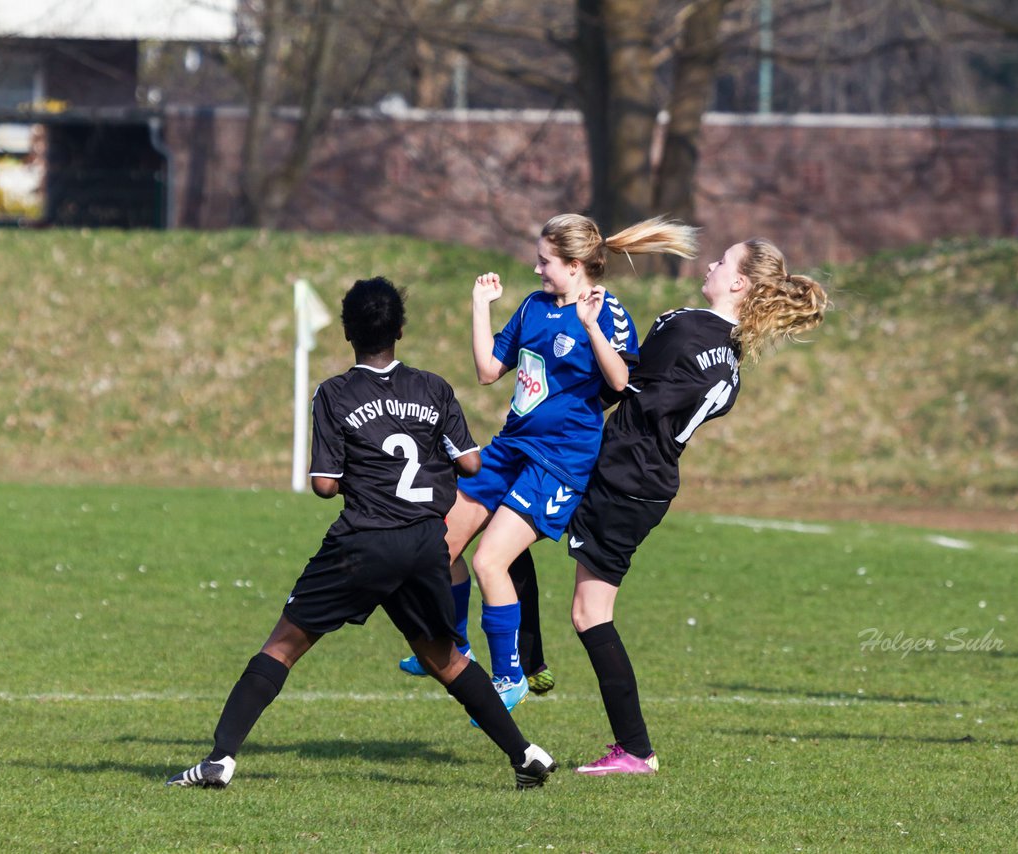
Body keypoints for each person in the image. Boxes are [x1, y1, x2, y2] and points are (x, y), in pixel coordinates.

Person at [166, 277, 556, 790]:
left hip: (363, 542)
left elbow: (325, 485)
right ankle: (526, 754)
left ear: (348, 331)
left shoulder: (334, 393)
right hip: (423, 544)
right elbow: (471, 462)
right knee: (444, 659)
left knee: (283, 645)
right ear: (400, 329)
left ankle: (219, 759)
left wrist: (363, 472)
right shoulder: (433, 388)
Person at [398, 215, 701, 711]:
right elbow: (487, 371)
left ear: (576, 265)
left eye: (545, 261)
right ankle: (452, 644)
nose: (537, 268)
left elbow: (622, 382)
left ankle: (510, 677)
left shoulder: (609, 311)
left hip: (558, 462)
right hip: (511, 447)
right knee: (436, 545)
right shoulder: (534, 307)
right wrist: (479, 307)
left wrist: (590, 328)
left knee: (489, 561)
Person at [565, 238, 828, 774]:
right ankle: (517, 662)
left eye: (723, 260)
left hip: (620, 473)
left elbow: (622, 385)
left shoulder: (684, 325)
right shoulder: (729, 352)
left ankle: (633, 748)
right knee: (525, 550)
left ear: (739, 283)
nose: (710, 263)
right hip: (650, 481)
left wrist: (590, 325)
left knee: (590, 613)